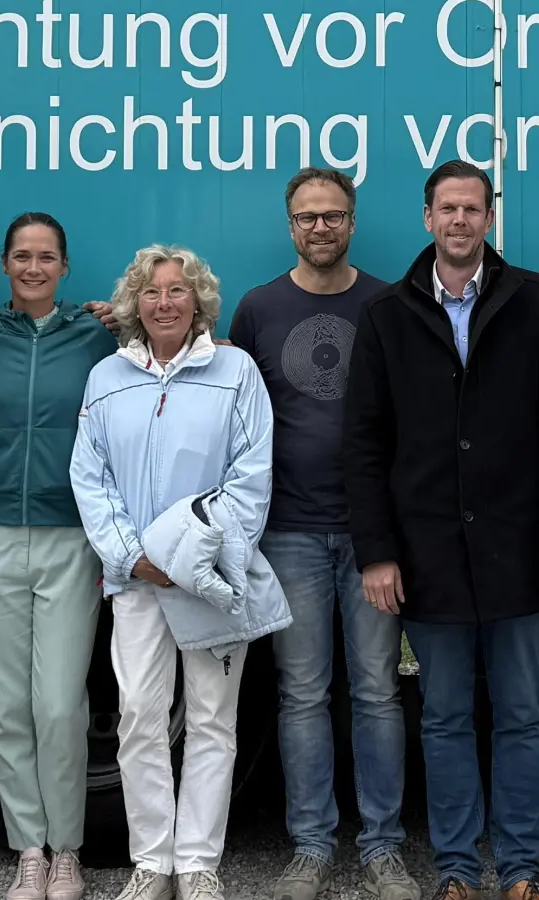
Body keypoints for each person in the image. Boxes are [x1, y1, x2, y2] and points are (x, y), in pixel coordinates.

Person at [343, 159, 539, 900]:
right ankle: (457, 869)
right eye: (447, 209)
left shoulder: (535, 303)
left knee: (522, 716)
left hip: (523, 553)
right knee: (446, 718)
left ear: (490, 218)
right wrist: (378, 553)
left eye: (472, 209)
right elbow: (363, 445)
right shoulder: (388, 316)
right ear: (428, 217)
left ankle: (520, 867)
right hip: (426, 560)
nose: (459, 221)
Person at [70, 242, 291, 900]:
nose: (164, 302)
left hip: (209, 581)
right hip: (137, 581)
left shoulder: (235, 371)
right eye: (151, 292)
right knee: (139, 715)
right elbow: (91, 476)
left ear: (199, 301)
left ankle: (197, 863)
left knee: (212, 720)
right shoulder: (107, 377)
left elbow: (252, 479)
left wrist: (194, 556)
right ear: (134, 303)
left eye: (176, 291)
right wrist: (133, 556)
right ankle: (152, 863)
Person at [229, 168, 420, 900]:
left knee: (376, 691)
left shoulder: (386, 304)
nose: (320, 228)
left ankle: (382, 851)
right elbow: (236, 413)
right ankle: (309, 847)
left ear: (352, 222)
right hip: (290, 533)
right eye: (307, 217)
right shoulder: (257, 309)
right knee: (302, 693)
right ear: (290, 226)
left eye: (333, 216)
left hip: (372, 536)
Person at [0, 212, 120, 900]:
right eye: (22, 256)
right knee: (5, 704)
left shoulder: (94, 335)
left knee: (59, 704)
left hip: (69, 536)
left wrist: (128, 320)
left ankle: (69, 853)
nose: (33, 267)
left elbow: (186, 340)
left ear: (64, 267)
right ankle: (30, 849)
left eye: (46, 257)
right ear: (4, 266)